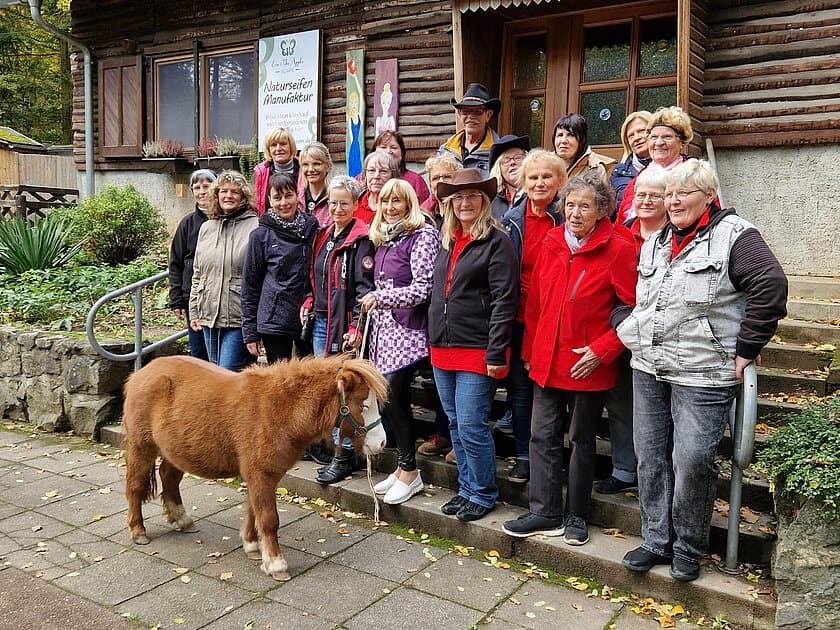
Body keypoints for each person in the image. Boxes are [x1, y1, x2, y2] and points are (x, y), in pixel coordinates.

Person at [616, 159, 787, 582]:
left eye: (683, 193)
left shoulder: (735, 236)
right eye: (669, 193)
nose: (673, 201)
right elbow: (641, 297)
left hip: (703, 372)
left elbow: (771, 286)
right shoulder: (655, 239)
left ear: (709, 196)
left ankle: (688, 547)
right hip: (649, 365)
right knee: (651, 458)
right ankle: (656, 540)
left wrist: (747, 347)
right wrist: (623, 323)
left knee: (692, 460)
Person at [503, 172, 637, 545]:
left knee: (581, 440)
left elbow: (632, 309)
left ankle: (576, 514)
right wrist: (530, 352)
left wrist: (604, 350)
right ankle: (544, 510)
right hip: (546, 359)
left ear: (602, 210)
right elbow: (535, 305)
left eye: (586, 206)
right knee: (541, 436)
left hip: (586, 362)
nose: (576, 213)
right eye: (571, 205)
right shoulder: (551, 241)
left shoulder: (620, 247)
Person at [429, 168, 518, 522]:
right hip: (442, 348)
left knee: (470, 424)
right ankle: (467, 488)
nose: (465, 203)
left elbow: (504, 301)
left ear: (484, 202)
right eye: (459, 197)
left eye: (473, 197)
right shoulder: (447, 239)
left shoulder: (498, 241)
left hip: (478, 350)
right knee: (453, 424)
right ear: (451, 203)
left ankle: (483, 492)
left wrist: (497, 351)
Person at [361, 179, 440, 504]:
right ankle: (402, 467)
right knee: (387, 399)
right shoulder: (383, 238)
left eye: (398, 201)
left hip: (410, 332)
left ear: (410, 203)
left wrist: (381, 297)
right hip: (385, 332)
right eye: (386, 201)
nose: (391, 207)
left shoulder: (422, 235)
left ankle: (411, 472)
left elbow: (424, 288)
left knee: (391, 395)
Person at [594, 165, 668, 496]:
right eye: (640, 195)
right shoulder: (620, 234)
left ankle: (660, 474)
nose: (647, 200)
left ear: (668, 200)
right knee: (622, 402)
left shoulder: (676, 235)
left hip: (662, 336)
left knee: (659, 410)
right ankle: (625, 468)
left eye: (655, 195)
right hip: (622, 329)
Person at [301, 175, 375, 484]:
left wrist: (357, 327)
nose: (337, 208)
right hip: (320, 323)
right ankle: (339, 451)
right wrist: (308, 300)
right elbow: (316, 278)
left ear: (356, 204)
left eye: (344, 202)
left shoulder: (361, 239)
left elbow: (364, 288)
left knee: (344, 394)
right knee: (329, 392)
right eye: (332, 202)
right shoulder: (324, 235)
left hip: (344, 328)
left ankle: (345, 456)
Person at [499, 150, 567, 484]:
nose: (539, 183)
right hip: (518, 316)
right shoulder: (510, 219)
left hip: (555, 318)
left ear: (560, 181)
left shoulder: (567, 217)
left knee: (552, 390)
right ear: (523, 183)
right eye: (533, 177)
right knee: (521, 390)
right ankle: (524, 456)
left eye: (546, 177)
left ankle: (552, 453)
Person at [241, 172, 318, 364]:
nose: (284, 203)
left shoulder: (312, 228)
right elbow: (250, 285)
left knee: (309, 380)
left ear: (297, 195)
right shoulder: (260, 236)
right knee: (281, 383)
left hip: (307, 316)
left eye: (289, 195)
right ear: (269, 200)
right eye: (277, 197)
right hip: (274, 320)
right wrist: (250, 333)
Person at [189, 170, 259, 371]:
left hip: (239, 317)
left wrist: (254, 325)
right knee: (216, 380)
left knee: (228, 375)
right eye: (224, 191)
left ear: (243, 197)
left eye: (234, 192)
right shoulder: (207, 228)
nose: (228, 196)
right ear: (216, 195)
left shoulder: (255, 226)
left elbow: (258, 276)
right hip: (209, 316)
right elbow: (198, 273)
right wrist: (194, 310)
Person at [615, 106, 696, 224]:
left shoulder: (693, 175)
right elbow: (621, 219)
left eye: (667, 137)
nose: (659, 143)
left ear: (682, 142)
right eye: (654, 137)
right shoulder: (641, 176)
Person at [169, 168, 216, 361]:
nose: (201, 191)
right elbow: (176, 262)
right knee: (198, 351)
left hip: (218, 295)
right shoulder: (187, 223)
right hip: (193, 296)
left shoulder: (224, 219)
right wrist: (177, 298)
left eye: (206, 186)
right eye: (197, 187)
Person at [437, 83, 501, 175]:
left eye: (477, 112)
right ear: (459, 113)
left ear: (488, 115)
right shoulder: (445, 150)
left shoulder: (498, 152)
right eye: (465, 111)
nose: (470, 116)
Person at [370, 130, 430, 205]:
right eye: (383, 147)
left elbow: (424, 210)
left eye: (393, 147)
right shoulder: (363, 178)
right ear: (374, 152)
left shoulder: (415, 181)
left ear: (402, 154)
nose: (388, 151)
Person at [609, 111, 652, 214]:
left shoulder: (673, 166)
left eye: (642, 131)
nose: (636, 138)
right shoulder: (618, 173)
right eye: (631, 136)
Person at [553, 114, 615, 180]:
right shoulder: (544, 163)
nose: (563, 141)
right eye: (560, 135)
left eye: (570, 135)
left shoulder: (595, 169)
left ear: (582, 141)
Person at [254, 127, 300, 216]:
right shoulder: (261, 172)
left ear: (291, 146)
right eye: (273, 145)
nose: (278, 148)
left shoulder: (303, 168)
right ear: (268, 149)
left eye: (283, 144)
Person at [488, 134, 530, 220]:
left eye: (518, 158)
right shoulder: (491, 202)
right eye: (506, 160)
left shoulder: (536, 194)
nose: (512, 163)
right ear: (499, 168)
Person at [354, 150, 400, 225]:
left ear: (393, 175)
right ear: (365, 175)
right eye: (372, 170)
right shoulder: (355, 203)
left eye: (383, 171)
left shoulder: (399, 206)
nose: (376, 176)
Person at [419, 153, 461, 228]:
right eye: (436, 178)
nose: (441, 181)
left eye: (447, 176)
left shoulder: (465, 213)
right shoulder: (423, 218)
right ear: (430, 185)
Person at [298, 142, 333, 228]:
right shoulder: (296, 198)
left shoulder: (335, 198)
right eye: (305, 165)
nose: (310, 169)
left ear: (328, 166)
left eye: (316, 164)